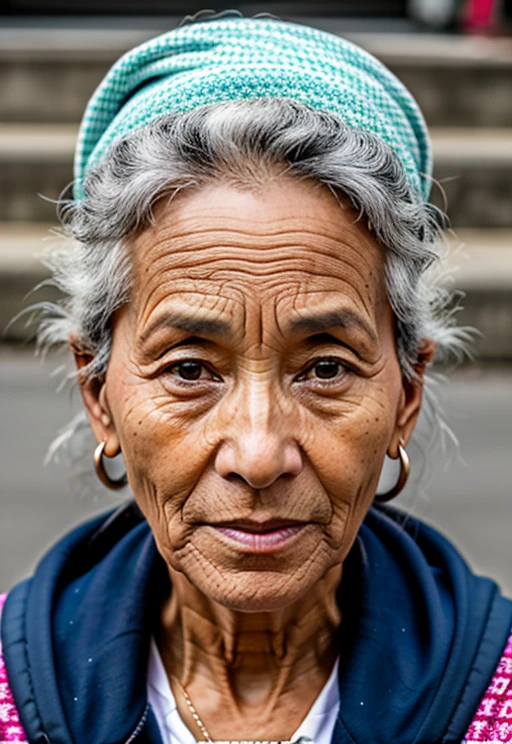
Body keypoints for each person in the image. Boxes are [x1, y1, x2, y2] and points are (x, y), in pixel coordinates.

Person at [1, 14, 511, 744]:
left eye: (326, 368)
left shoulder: (497, 700)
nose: (260, 453)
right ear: (98, 392)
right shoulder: (14, 695)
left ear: (406, 392)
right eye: (189, 370)